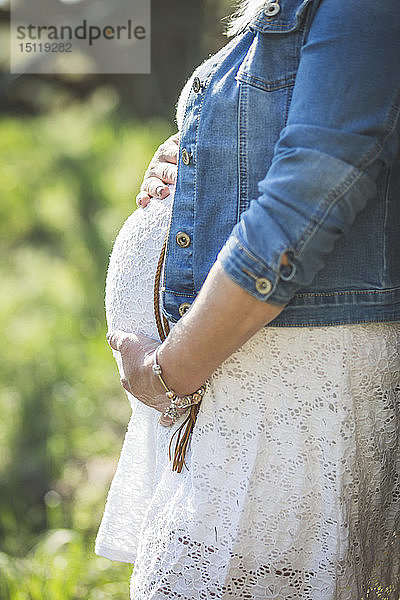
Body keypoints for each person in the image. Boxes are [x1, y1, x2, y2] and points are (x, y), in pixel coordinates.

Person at [95, 0, 400, 598]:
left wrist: (172, 371)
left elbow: (313, 189)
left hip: (296, 385)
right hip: (246, 372)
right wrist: (194, 156)